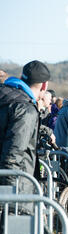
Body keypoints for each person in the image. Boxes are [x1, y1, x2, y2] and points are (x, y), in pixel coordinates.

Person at [0, 60, 50, 195]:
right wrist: (11, 198)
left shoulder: (5, 96)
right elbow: (13, 156)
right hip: (16, 189)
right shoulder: (25, 109)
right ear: (44, 85)